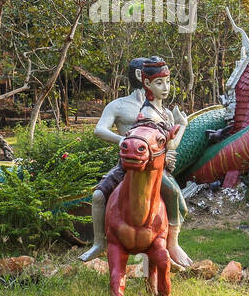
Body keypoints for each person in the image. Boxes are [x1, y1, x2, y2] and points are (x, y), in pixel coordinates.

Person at [79, 56, 193, 267]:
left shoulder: (164, 111)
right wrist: (123, 140)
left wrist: (176, 136)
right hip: (129, 163)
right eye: (159, 81)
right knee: (98, 195)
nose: (165, 86)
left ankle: (170, 245)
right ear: (143, 78)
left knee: (179, 203)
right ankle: (99, 242)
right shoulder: (125, 107)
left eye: (166, 81)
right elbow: (99, 130)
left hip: (155, 168)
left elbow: (169, 143)